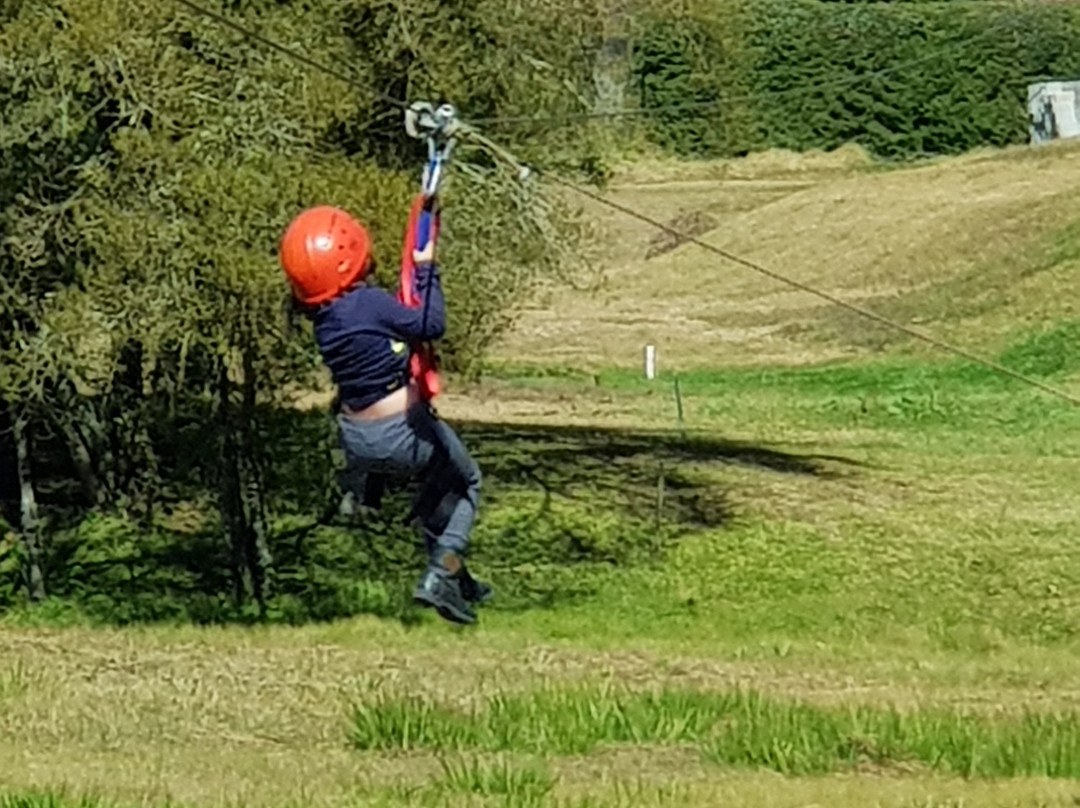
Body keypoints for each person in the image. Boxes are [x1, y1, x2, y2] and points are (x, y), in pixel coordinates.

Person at [278, 203, 490, 625]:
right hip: (402, 435)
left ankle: (455, 579)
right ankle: (439, 575)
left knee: (436, 499)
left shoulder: (324, 319)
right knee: (468, 484)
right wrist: (427, 267)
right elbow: (430, 324)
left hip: (359, 442)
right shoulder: (368, 303)